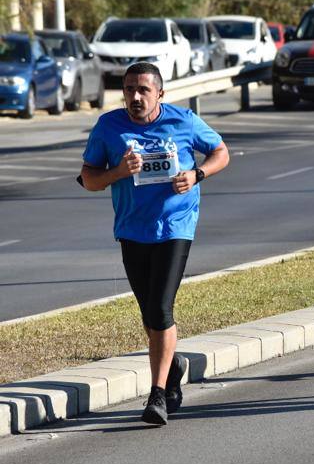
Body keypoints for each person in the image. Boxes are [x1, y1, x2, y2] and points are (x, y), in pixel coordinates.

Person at [79, 62, 230, 425]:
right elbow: (88, 179)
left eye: (143, 90)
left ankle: (158, 394)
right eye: (129, 89)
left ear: (159, 93)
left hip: (176, 225)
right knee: (150, 315)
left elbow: (221, 152)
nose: (134, 96)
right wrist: (118, 172)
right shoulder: (109, 127)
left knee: (161, 309)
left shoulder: (184, 121)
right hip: (132, 229)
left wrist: (196, 175)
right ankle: (173, 362)